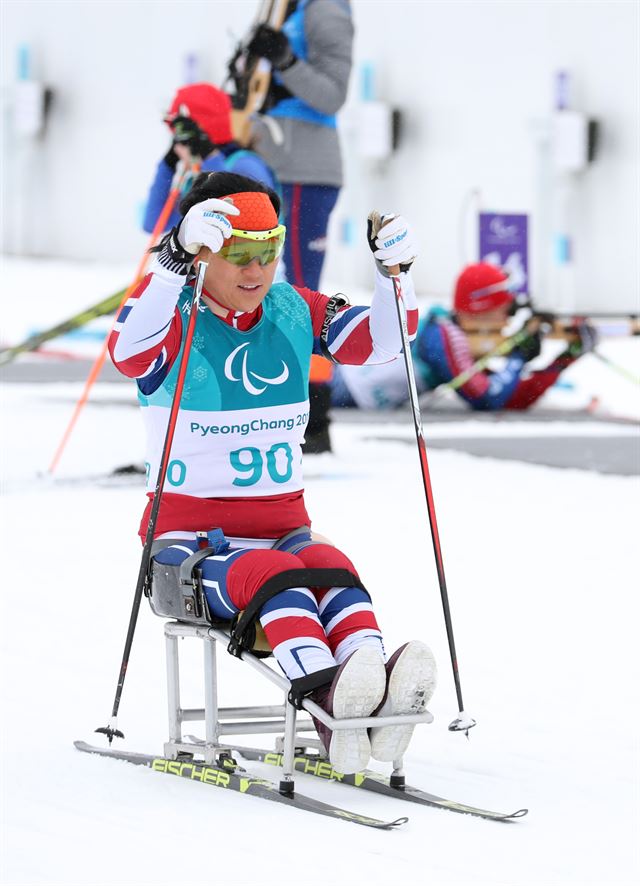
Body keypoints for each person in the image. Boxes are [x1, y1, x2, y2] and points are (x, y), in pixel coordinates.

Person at [108, 171, 437, 775]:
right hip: (184, 548)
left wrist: (396, 278)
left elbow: (384, 344)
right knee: (276, 571)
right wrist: (171, 262)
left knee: (331, 568)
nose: (255, 271)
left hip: (286, 528)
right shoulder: (172, 312)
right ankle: (329, 698)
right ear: (204, 251)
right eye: (237, 254)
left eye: (268, 252)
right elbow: (127, 351)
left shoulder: (291, 309)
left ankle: (373, 699)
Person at [243, 0, 355, 453]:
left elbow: (333, 94)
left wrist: (285, 59)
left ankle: (315, 414)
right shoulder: (283, 6)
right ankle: (273, 402)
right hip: (276, 162)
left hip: (307, 168)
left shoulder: (324, 10)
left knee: (303, 290)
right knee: (259, 284)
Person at [331, 261, 598, 411]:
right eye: (503, 310)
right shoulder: (446, 337)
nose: (507, 319)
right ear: (482, 309)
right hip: (338, 387)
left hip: (344, 388)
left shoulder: (448, 332)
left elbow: (513, 398)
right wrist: (517, 356)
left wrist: (564, 359)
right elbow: (489, 399)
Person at [143, 82, 278, 235]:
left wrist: (210, 156)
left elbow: (233, 220)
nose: (177, 145)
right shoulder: (198, 176)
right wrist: (168, 165)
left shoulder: (244, 165)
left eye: (181, 136)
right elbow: (153, 224)